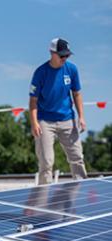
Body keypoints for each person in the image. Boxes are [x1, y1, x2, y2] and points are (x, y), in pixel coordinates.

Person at [29, 38, 87, 185]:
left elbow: (77, 94)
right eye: (61, 55)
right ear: (51, 53)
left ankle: (81, 188)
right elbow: (33, 101)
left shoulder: (72, 69)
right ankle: (44, 196)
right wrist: (34, 122)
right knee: (47, 162)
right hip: (45, 121)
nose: (64, 58)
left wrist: (81, 117)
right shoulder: (40, 73)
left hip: (67, 119)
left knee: (77, 157)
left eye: (67, 55)